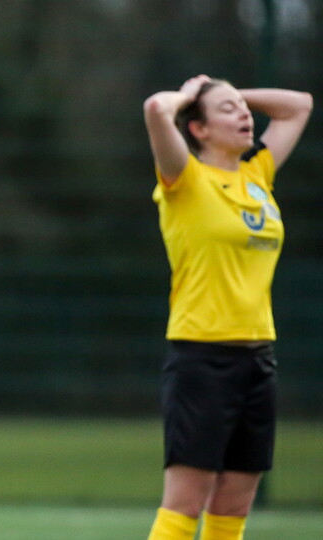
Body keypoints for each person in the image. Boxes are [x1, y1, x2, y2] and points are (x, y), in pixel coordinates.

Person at [142, 75, 312, 540]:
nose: (244, 115)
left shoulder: (257, 174)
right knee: (185, 503)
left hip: (257, 359)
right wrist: (192, 94)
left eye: (244, 108)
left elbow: (298, 105)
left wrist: (231, 91)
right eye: (228, 110)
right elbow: (158, 107)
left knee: (234, 505)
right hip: (202, 357)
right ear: (198, 129)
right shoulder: (185, 178)